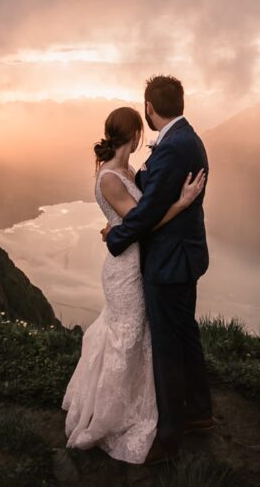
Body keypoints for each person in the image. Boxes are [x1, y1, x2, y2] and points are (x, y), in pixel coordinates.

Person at [62, 104, 206, 465]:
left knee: (134, 335)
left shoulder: (128, 170)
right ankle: (114, 413)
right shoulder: (111, 177)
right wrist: (182, 202)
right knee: (126, 336)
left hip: (137, 263)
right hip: (124, 270)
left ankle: (140, 403)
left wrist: (118, 228)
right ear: (137, 135)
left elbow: (137, 218)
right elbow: (146, 221)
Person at [102, 75, 214, 463]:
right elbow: (154, 184)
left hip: (169, 261)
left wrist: (116, 238)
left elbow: (148, 210)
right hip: (182, 255)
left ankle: (168, 436)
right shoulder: (184, 140)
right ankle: (199, 411)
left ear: (149, 108)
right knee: (184, 335)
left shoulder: (173, 147)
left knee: (167, 344)